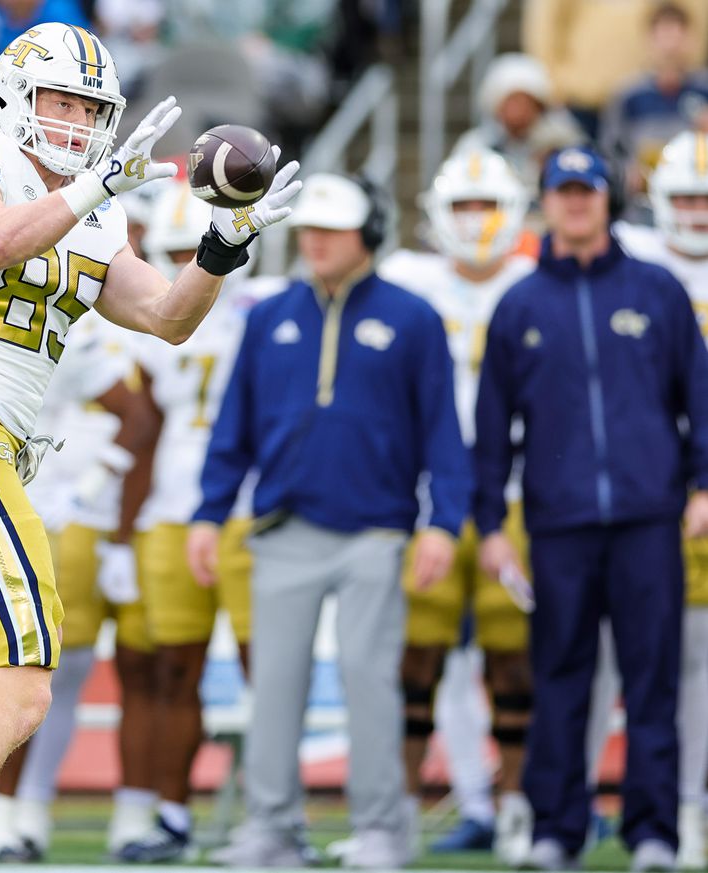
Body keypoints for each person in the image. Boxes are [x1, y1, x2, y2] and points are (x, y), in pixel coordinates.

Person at [0, 22, 300, 873]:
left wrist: (224, 241)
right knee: (20, 686)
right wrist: (88, 190)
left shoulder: (93, 208)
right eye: (61, 99)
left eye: (92, 107)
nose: (78, 120)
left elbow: (166, 316)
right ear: (14, 95)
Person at [193, 173, 469, 870]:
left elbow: (443, 433)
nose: (314, 240)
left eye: (331, 229)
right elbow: (234, 427)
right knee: (276, 682)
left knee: (368, 679)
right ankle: (272, 828)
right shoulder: (268, 315)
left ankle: (381, 827)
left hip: (377, 530)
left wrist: (443, 522)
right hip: (282, 528)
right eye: (308, 228)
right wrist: (208, 512)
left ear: (368, 232)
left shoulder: (414, 318)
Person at [475, 145, 708, 872]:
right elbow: (491, 428)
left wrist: (702, 483)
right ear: (545, 201)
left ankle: (654, 833)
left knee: (652, 679)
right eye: (564, 191)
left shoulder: (658, 290)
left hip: (647, 517)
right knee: (561, 678)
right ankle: (558, 827)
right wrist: (488, 524)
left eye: (588, 190)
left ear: (608, 199)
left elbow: (697, 398)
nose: (577, 203)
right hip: (559, 522)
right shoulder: (517, 305)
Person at [377, 149, 537, 864]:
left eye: (487, 206)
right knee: (417, 660)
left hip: (518, 494)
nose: (475, 222)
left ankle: (514, 806)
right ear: (438, 213)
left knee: (516, 664)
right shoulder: (407, 282)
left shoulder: (539, 283)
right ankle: (407, 809)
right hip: (424, 499)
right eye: (463, 207)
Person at [113, 179, 275, 864]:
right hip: (172, 512)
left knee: (267, 671)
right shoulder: (148, 327)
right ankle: (172, 813)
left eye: (197, 250)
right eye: (177, 251)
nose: (191, 266)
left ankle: (272, 814)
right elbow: (144, 432)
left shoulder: (268, 311)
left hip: (252, 512)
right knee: (172, 672)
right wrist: (123, 533)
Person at [0, 308, 159, 862]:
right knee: (31, 669)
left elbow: (141, 418)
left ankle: (37, 813)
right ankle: (12, 815)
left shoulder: (112, 327)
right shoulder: (47, 316)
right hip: (43, 512)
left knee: (101, 669)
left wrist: (94, 496)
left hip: (107, 517)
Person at [612, 130, 708, 869]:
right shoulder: (629, 264)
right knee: (653, 662)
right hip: (650, 493)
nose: (697, 213)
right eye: (685, 198)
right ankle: (671, 802)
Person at [523, 0, 708, 139]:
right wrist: (553, 87)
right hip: (580, 104)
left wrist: (686, 76)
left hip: (652, 103)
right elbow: (545, 28)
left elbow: (693, 18)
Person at [602, 2, 708, 196]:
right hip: (643, 203)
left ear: (691, 41)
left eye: (677, 36)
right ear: (649, 40)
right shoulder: (627, 95)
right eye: (664, 37)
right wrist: (628, 174)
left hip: (698, 197)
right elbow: (610, 153)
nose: (670, 47)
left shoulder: (704, 89)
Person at [453, 53, 585, 191]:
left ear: (539, 106)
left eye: (525, 102)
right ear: (497, 106)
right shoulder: (475, 146)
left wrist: (554, 164)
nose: (519, 110)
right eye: (512, 101)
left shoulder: (563, 142)